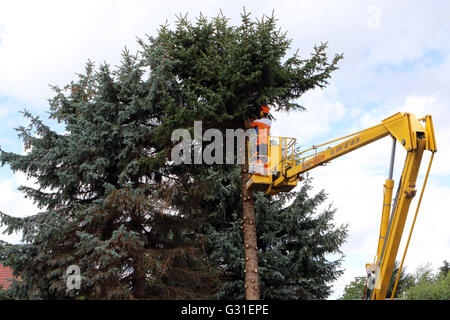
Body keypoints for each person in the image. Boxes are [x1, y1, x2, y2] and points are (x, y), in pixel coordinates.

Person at [249, 105, 272, 175]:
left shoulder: (257, 121)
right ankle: (265, 172)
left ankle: (258, 171)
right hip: (266, 142)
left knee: (258, 157)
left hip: (259, 142)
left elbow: (249, 125)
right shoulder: (269, 122)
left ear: (261, 113)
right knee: (264, 158)